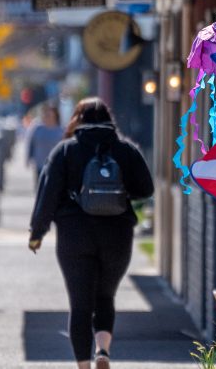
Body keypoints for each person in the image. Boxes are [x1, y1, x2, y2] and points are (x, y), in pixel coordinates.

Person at [29, 98, 154, 369]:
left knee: (80, 304)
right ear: (109, 119)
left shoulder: (65, 151)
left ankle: (84, 365)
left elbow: (47, 195)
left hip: (75, 236)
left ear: (77, 119)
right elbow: (146, 189)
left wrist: (37, 232)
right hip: (117, 235)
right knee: (105, 296)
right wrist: (119, 194)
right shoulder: (126, 150)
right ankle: (103, 351)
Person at [26, 104, 64, 178]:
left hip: (56, 165)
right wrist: (28, 158)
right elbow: (31, 143)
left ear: (55, 115)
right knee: (40, 186)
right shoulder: (37, 128)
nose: (47, 116)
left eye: (49, 114)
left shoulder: (61, 130)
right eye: (45, 114)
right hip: (40, 164)